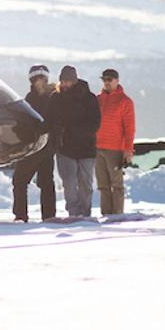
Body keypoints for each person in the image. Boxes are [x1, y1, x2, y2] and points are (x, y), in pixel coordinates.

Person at [50, 65, 100, 217]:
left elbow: (95, 122)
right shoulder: (56, 98)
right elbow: (50, 120)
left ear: (74, 80)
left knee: (86, 185)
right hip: (65, 148)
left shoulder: (89, 98)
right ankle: (73, 213)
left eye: (67, 81)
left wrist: (78, 131)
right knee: (69, 184)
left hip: (86, 148)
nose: (65, 84)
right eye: (62, 81)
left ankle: (85, 213)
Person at [12, 64, 57, 222]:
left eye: (40, 79)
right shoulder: (33, 98)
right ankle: (44, 215)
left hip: (40, 145)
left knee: (22, 180)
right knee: (43, 182)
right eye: (35, 79)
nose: (38, 82)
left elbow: (48, 122)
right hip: (40, 145)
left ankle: (24, 215)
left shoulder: (50, 97)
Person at [95, 68, 135, 215]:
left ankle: (117, 215)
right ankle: (106, 214)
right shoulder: (98, 99)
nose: (106, 83)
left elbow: (129, 128)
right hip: (98, 147)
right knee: (103, 185)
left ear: (117, 81)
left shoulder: (125, 102)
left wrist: (128, 150)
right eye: (104, 80)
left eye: (109, 80)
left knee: (116, 185)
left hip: (115, 149)